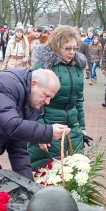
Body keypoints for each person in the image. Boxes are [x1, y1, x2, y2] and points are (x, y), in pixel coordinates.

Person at [27, 25, 89, 170]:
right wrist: (40, 132)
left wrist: (82, 127)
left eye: (75, 48)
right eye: (67, 48)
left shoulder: (77, 67)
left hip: (72, 129)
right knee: (45, 173)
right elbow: (31, 102)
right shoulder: (43, 67)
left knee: (74, 175)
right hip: (49, 126)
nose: (72, 52)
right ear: (56, 46)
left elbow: (78, 100)